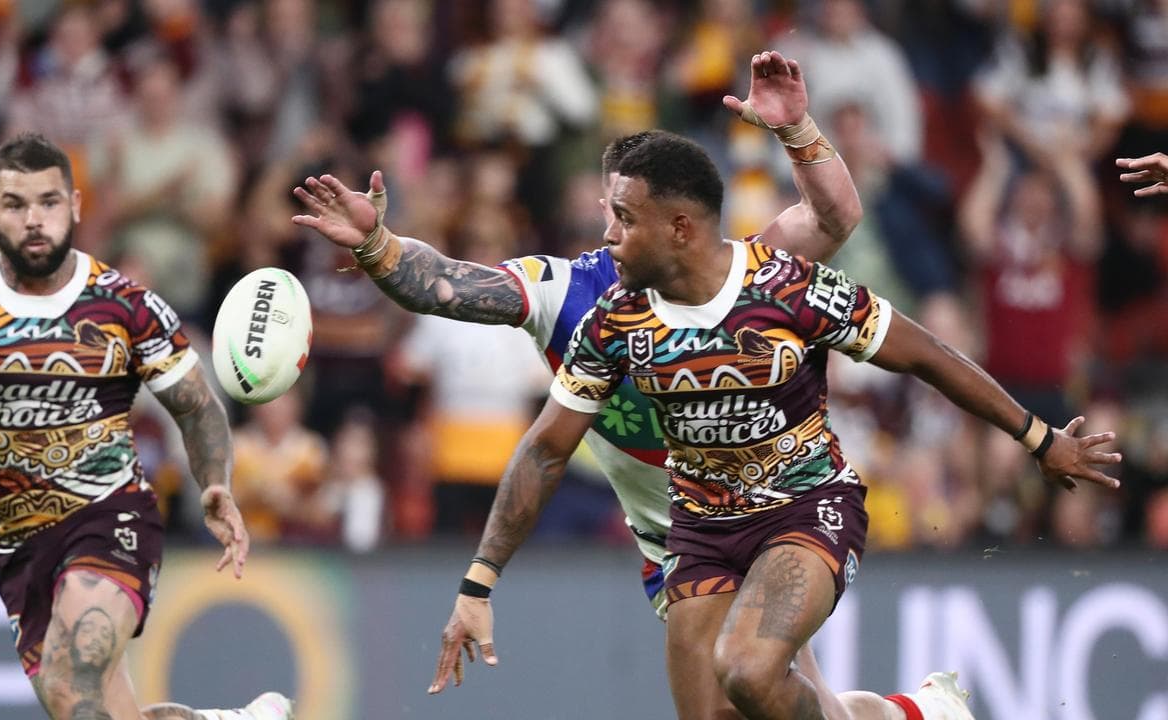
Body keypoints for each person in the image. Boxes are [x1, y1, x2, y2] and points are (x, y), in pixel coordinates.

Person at [294, 52, 979, 720]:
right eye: (613, 211)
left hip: (769, 513)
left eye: (633, 211)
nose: (618, 227)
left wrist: (798, 131)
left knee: (756, 691)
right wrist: (377, 246)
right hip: (679, 544)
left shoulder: (736, 282)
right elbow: (444, 283)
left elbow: (834, 220)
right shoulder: (566, 298)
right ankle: (918, 712)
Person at [453, 133, 1115, 720]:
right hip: (700, 533)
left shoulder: (789, 289)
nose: (608, 236)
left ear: (681, 227)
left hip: (804, 509)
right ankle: (916, 713)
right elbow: (544, 450)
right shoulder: (613, 325)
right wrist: (479, 583)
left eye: (625, 219)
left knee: (748, 671)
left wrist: (1039, 437)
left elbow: (927, 355)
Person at [0, 133, 291, 720]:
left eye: (49, 202)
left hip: (110, 519)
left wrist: (216, 481)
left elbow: (197, 407)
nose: (34, 220)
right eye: (16, 204)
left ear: (76, 205)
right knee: (92, 711)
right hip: (18, 549)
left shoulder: (125, 305)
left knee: (74, 676)